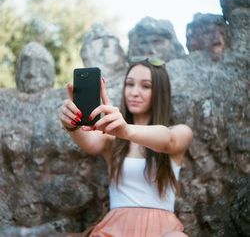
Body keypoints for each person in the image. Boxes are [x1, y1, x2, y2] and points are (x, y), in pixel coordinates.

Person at [59, 57, 193, 237]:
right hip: (115, 229)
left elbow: (168, 140)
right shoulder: (112, 139)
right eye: (129, 84)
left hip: (162, 230)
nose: (134, 92)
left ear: (160, 91)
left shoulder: (181, 131)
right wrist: (71, 124)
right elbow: (89, 142)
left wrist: (126, 130)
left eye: (145, 86)